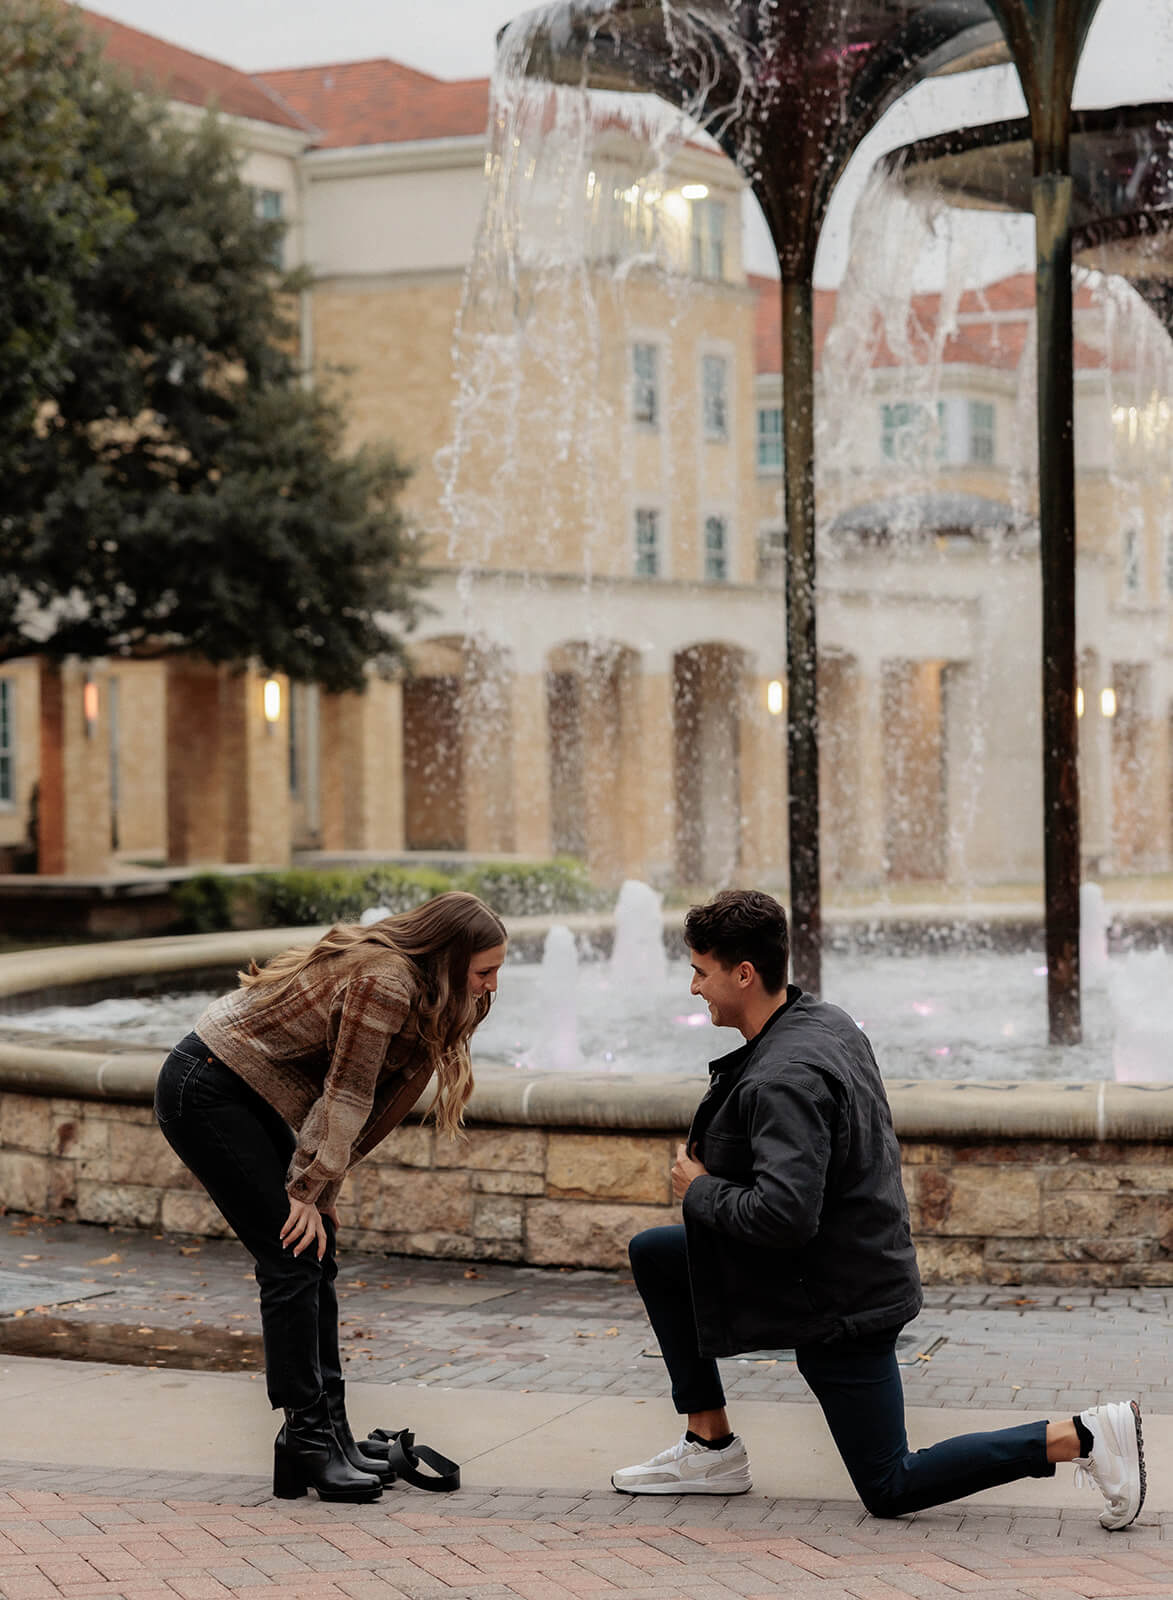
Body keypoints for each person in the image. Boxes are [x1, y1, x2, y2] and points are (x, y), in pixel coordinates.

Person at [612, 889, 1145, 1529]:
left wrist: (698, 1188)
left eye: (701, 971)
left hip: (842, 1300)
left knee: (892, 1484)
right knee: (659, 1254)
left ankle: (1085, 1437)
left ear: (743, 974)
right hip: (850, 1259)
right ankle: (709, 1446)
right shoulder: (822, 1019)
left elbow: (783, 1217)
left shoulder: (784, 1077)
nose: (694, 987)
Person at [154, 891, 507, 1504]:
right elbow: (345, 1093)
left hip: (243, 1090)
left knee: (316, 1244)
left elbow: (378, 1104)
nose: (491, 985)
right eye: (484, 971)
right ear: (448, 958)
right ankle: (308, 1441)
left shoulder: (435, 995)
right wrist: (307, 1188)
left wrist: (320, 1188)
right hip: (205, 1085)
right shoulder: (386, 982)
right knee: (290, 1254)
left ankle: (329, 1432)